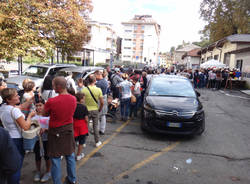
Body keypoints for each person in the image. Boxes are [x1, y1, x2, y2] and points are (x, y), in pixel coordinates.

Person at [43, 76, 77, 184]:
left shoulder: (51, 101)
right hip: (68, 129)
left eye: (53, 86)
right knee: (70, 155)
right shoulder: (73, 98)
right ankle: (72, 179)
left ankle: (57, 182)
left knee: (55, 158)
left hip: (55, 131)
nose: (52, 88)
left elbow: (45, 114)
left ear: (58, 86)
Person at [0, 88, 34, 184]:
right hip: (16, 140)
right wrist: (30, 116)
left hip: (6, 139)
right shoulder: (15, 111)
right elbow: (26, 127)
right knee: (16, 166)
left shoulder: (3, 108)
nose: (19, 96)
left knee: (6, 164)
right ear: (8, 99)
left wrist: (30, 100)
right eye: (16, 96)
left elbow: (21, 107)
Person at [32, 97, 51, 182]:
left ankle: (48, 171)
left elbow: (53, 128)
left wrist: (46, 130)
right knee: (37, 156)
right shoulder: (33, 116)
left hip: (47, 140)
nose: (38, 107)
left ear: (44, 105)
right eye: (37, 105)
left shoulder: (49, 116)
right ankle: (38, 171)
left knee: (47, 157)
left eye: (40, 105)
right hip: (37, 140)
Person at [82, 74, 104, 147]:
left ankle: (83, 142)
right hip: (95, 110)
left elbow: (82, 101)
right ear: (95, 81)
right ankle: (97, 141)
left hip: (86, 110)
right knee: (95, 126)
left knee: (85, 126)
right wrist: (100, 109)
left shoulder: (84, 89)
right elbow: (102, 102)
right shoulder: (98, 90)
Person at [73, 92, 88, 161]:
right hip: (82, 126)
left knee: (73, 141)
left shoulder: (72, 106)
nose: (84, 100)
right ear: (81, 99)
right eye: (83, 99)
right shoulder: (84, 107)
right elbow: (86, 118)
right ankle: (78, 155)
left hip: (73, 125)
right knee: (81, 141)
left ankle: (71, 154)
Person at [95, 70, 109, 135]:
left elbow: (96, 93)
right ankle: (102, 130)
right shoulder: (105, 81)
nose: (95, 77)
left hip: (99, 98)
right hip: (105, 98)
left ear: (98, 75)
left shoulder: (98, 83)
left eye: (95, 76)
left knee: (97, 115)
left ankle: (97, 129)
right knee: (103, 115)